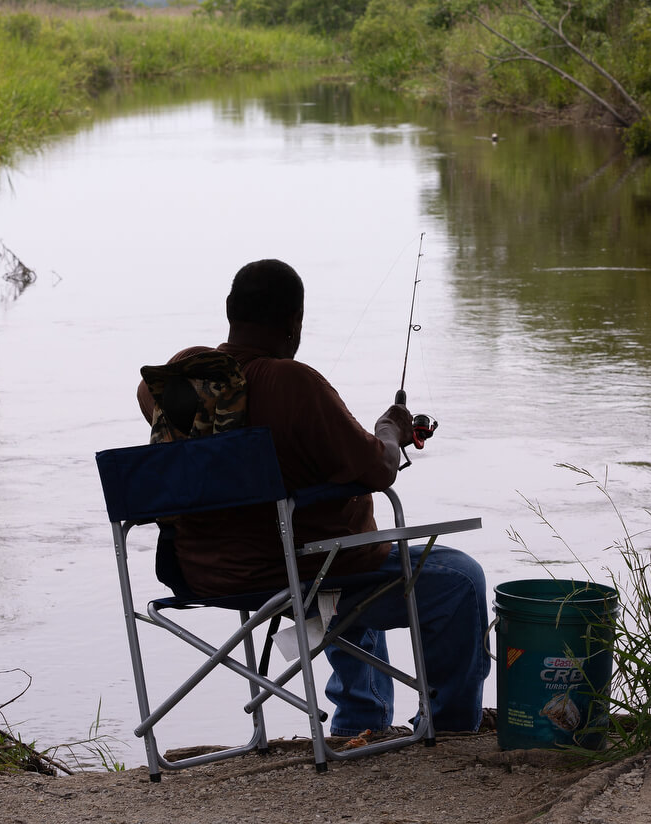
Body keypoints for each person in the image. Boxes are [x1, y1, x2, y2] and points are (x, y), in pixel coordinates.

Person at [136, 258, 490, 736]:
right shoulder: (293, 382)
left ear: (228, 310)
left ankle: (361, 719)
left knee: (337, 540)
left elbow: (146, 395)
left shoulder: (184, 378)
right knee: (459, 579)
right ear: (295, 323)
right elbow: (379, 469)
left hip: (202, 572)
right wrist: (389, 430)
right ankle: (450, 730)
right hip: (291, 573)